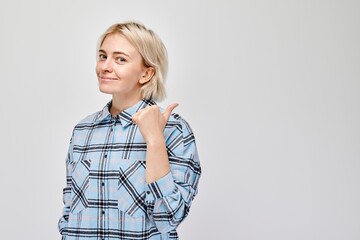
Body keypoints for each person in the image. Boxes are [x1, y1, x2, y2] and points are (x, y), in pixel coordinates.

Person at [58, 21, 201, 240]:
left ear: (146, 74)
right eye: (103, 56)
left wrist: (154, 141)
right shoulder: (82, 131)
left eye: (120, 59)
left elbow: (170, 219)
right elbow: (69, 213)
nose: (105, 66)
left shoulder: (174, 130)